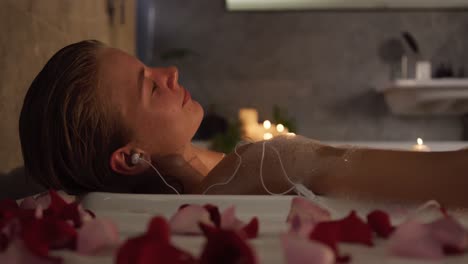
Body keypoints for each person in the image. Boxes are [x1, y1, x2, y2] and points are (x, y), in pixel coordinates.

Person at [19, 40, 468, 208]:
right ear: (130, 157)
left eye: (151, 69)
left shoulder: (226, 173)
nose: (169, 74)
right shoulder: (266, 167)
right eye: (151, 88)